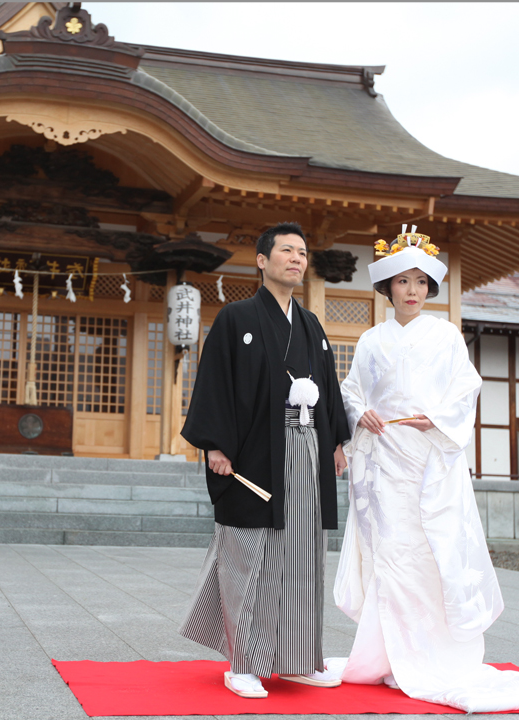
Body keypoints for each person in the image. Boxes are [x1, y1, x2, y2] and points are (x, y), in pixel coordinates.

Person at [332, 228, 519, 713]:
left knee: (432, 555)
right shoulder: (371, 340)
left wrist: (435, 419)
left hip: (431, 458)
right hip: (386, 458)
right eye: (401, 281)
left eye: (419, 282)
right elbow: (350, 390)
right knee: (393, 557)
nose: (411, 290)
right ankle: (390, 656)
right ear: (387, 287)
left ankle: (432, 655)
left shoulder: (446, 335)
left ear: (429, 289)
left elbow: (466, 389)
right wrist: (361, 414)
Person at [178, 222, 351, 699]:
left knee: (301, 555)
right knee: (249, 555)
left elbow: (330, 391)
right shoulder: (236, 319)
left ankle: (298, 659)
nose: (297, 258)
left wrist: (336, 441)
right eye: (286, 251)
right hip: (254, 454)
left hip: (306, 451)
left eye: (303, 252)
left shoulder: (311, 325)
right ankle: (243, 664)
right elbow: (214, 383)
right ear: (261, 260)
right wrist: (214, 444)